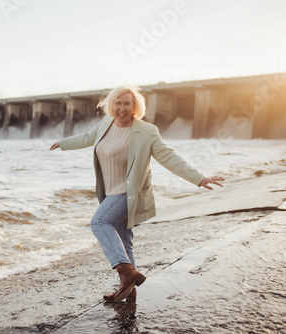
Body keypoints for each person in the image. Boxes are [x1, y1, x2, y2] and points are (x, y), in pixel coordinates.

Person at [50, 86, 224, 303]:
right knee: (124, 240)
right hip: (110, 191)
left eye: (127, 103)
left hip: (128, 192)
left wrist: (199, 178)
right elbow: (87, 137)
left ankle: (126, 272)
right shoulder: (106, 123)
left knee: (99, 222)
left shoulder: (146, 131)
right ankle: (129, 289)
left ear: (135, 107)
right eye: (118, 103)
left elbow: (170, 158)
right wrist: (63, 143)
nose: (122, 108)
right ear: (111, 104)